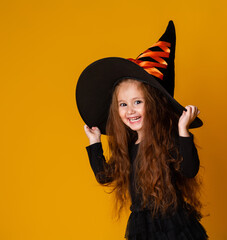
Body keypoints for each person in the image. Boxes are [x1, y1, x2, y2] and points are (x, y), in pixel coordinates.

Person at [76, 21, 208, 239]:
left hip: (172, 223)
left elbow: (189, 169)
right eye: (123, 104)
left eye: (138, 102)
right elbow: (104, 176)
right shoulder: (127, 146)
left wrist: (183, 129)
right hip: (142, 227)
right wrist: (94, 142)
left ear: (153, 104)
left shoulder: (167, 140)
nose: (130, 110)